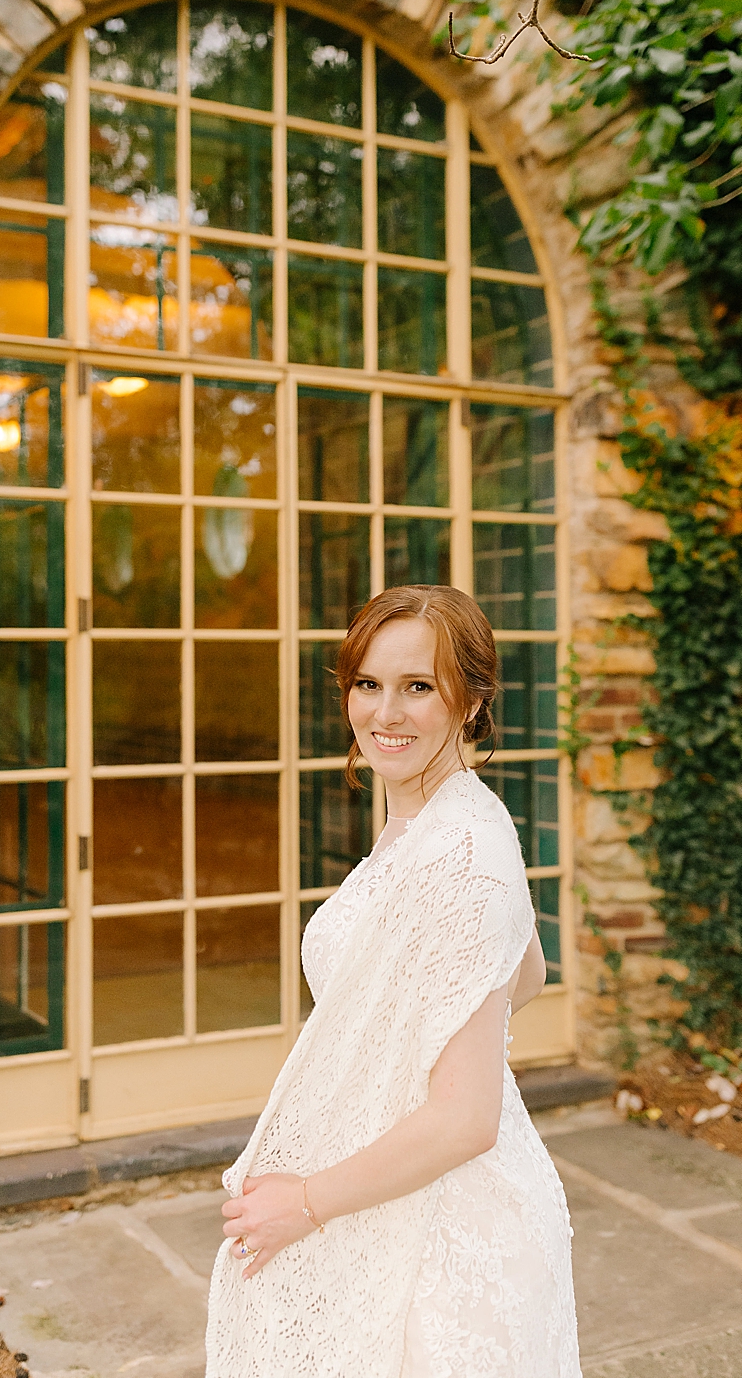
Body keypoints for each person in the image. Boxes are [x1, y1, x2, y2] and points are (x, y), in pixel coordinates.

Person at [205, 585, 577, 1376]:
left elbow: (466, 1119)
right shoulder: (436, 817)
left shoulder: (463, 853)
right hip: (402, 1194)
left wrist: (303, 1203)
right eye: (368, 684)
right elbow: (528, 972)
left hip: (450, 1238)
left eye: (418, 687)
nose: (386, 713)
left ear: (471, 701)